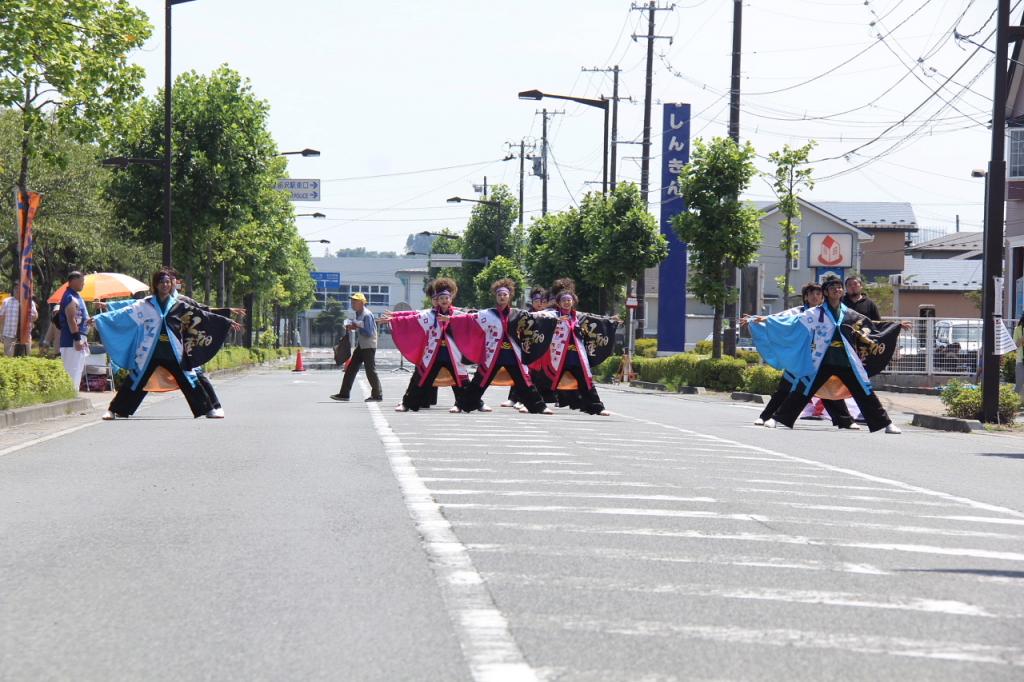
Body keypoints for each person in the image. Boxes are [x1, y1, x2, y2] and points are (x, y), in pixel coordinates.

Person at [750, 276, 902, 434]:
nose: (837, 290)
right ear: (826, 293)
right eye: (832, 288)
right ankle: (777, 418)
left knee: (865, 391)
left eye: (839, 287)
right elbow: (792, 321)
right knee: (802, 389)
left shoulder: (849, 314)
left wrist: (895, 327)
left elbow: (871, 325)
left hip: (846, 361)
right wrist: (765, 320)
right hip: (822, 360)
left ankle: (886, 424)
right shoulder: (816, 313)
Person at [93, 268, 233, 420]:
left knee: (190, 380)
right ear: (155, 284)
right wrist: (99, 319)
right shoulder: (145, 304)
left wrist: (225, 322)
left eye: (167, 282)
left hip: (175, 352)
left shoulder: (179, 305)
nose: (165, 285)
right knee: (135, 380)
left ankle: (209, 409)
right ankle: (114, 410)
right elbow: (124, 313)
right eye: (161, 282)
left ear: (171, 284)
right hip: (149, 352)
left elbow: (202, 315)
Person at [747, 282, 856, 429]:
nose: (815, 297)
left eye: (818, 294)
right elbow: (779, 319)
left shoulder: (827, 312)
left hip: (820, 357)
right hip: (800, 356)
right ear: (805, 297)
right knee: (785, 388)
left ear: (823, 296)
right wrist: (758, 320)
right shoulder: (798, 312)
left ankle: (845, 421)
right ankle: (765, 416)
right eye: (811, 294)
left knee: (827, 389)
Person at [447, 278, 557, 414]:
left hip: (512, 354)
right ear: (496, 296)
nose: (502, 297)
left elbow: (536, 317)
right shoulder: (488, 314)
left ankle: (540, 407)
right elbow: (470, 318)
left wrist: (555, 318)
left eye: (505, 294)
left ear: (509, 296)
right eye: (499, 294)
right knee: (479, 380)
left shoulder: (517, 314)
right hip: (493, 354)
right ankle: (460, 405)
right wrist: (451, 319)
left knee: (525, 382)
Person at [384, 277, 478, 413]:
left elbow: (474, 318)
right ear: (437, 300)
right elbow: (412, 318)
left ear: (451, 299)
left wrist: (455, 319)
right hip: (434, 353)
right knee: (420, 378)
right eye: (441, 298)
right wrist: (395, 318)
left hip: (453, 354)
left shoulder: (458, 314)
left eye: (446, 298)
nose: (444, 300)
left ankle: (465, 404)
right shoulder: (430, 315)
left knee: (462, 380)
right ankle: (407, 403)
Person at [535, 278, 618, 416]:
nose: (567, 302)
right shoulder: (553, 314)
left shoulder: (579, 317)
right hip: (558, 356)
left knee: (586, 381)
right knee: (544, 379)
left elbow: (596, 319)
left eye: (569, 300)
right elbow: (537, 316)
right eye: (563, 300)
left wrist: (610, 321)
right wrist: (554, 321)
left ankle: (597, 407)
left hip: (576, 356)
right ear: (558, 303)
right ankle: (533, 404)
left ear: (573, 301)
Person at [501, 286, 552, 408]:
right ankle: (514, 399)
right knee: (521, 373)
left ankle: (528, 400)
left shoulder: (549, 316)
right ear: (532, 301)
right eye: (536, 301)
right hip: (526, 348)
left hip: (542, 349)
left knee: (538, 376)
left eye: (542, 301)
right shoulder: (525, 314)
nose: (539, 304)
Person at [330, 292, 383, 402]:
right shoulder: (359, 314)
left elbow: (368, 332)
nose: (352, 303)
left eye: (355, 301)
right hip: (362, 346)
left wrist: (356, 326)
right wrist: (354, 326)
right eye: (352, 301)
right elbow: (363, 329)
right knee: (351, 369)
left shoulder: (366, 315)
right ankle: (344, 394)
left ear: (362, 303)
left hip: (368, 346)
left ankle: (377, 395)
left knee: (370, 370)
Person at [59, 272, 91, 391]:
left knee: (78, 370)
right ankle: (69, 395)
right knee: (71, 370)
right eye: (81, 281)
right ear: (73, 281)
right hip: (72, 340)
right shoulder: (69, 297)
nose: (83, 284)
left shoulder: (77, 296)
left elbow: (80, 317)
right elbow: (71, 319)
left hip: (80, 337)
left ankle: (74, 394)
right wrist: (77, 339)